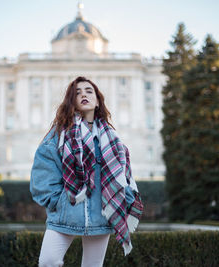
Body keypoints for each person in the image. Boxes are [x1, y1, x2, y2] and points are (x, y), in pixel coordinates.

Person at [30, 76, 143, 267]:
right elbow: (43, 172)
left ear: (98, 100)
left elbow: (124, 177)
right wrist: (59, 202)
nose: (84, 94)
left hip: (101, 217)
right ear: (71, 101)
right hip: (64, 217)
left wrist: (126, 201)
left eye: (89, 91)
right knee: (48, 261)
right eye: (77, 92)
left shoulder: (112, 139)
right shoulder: (57, 136)